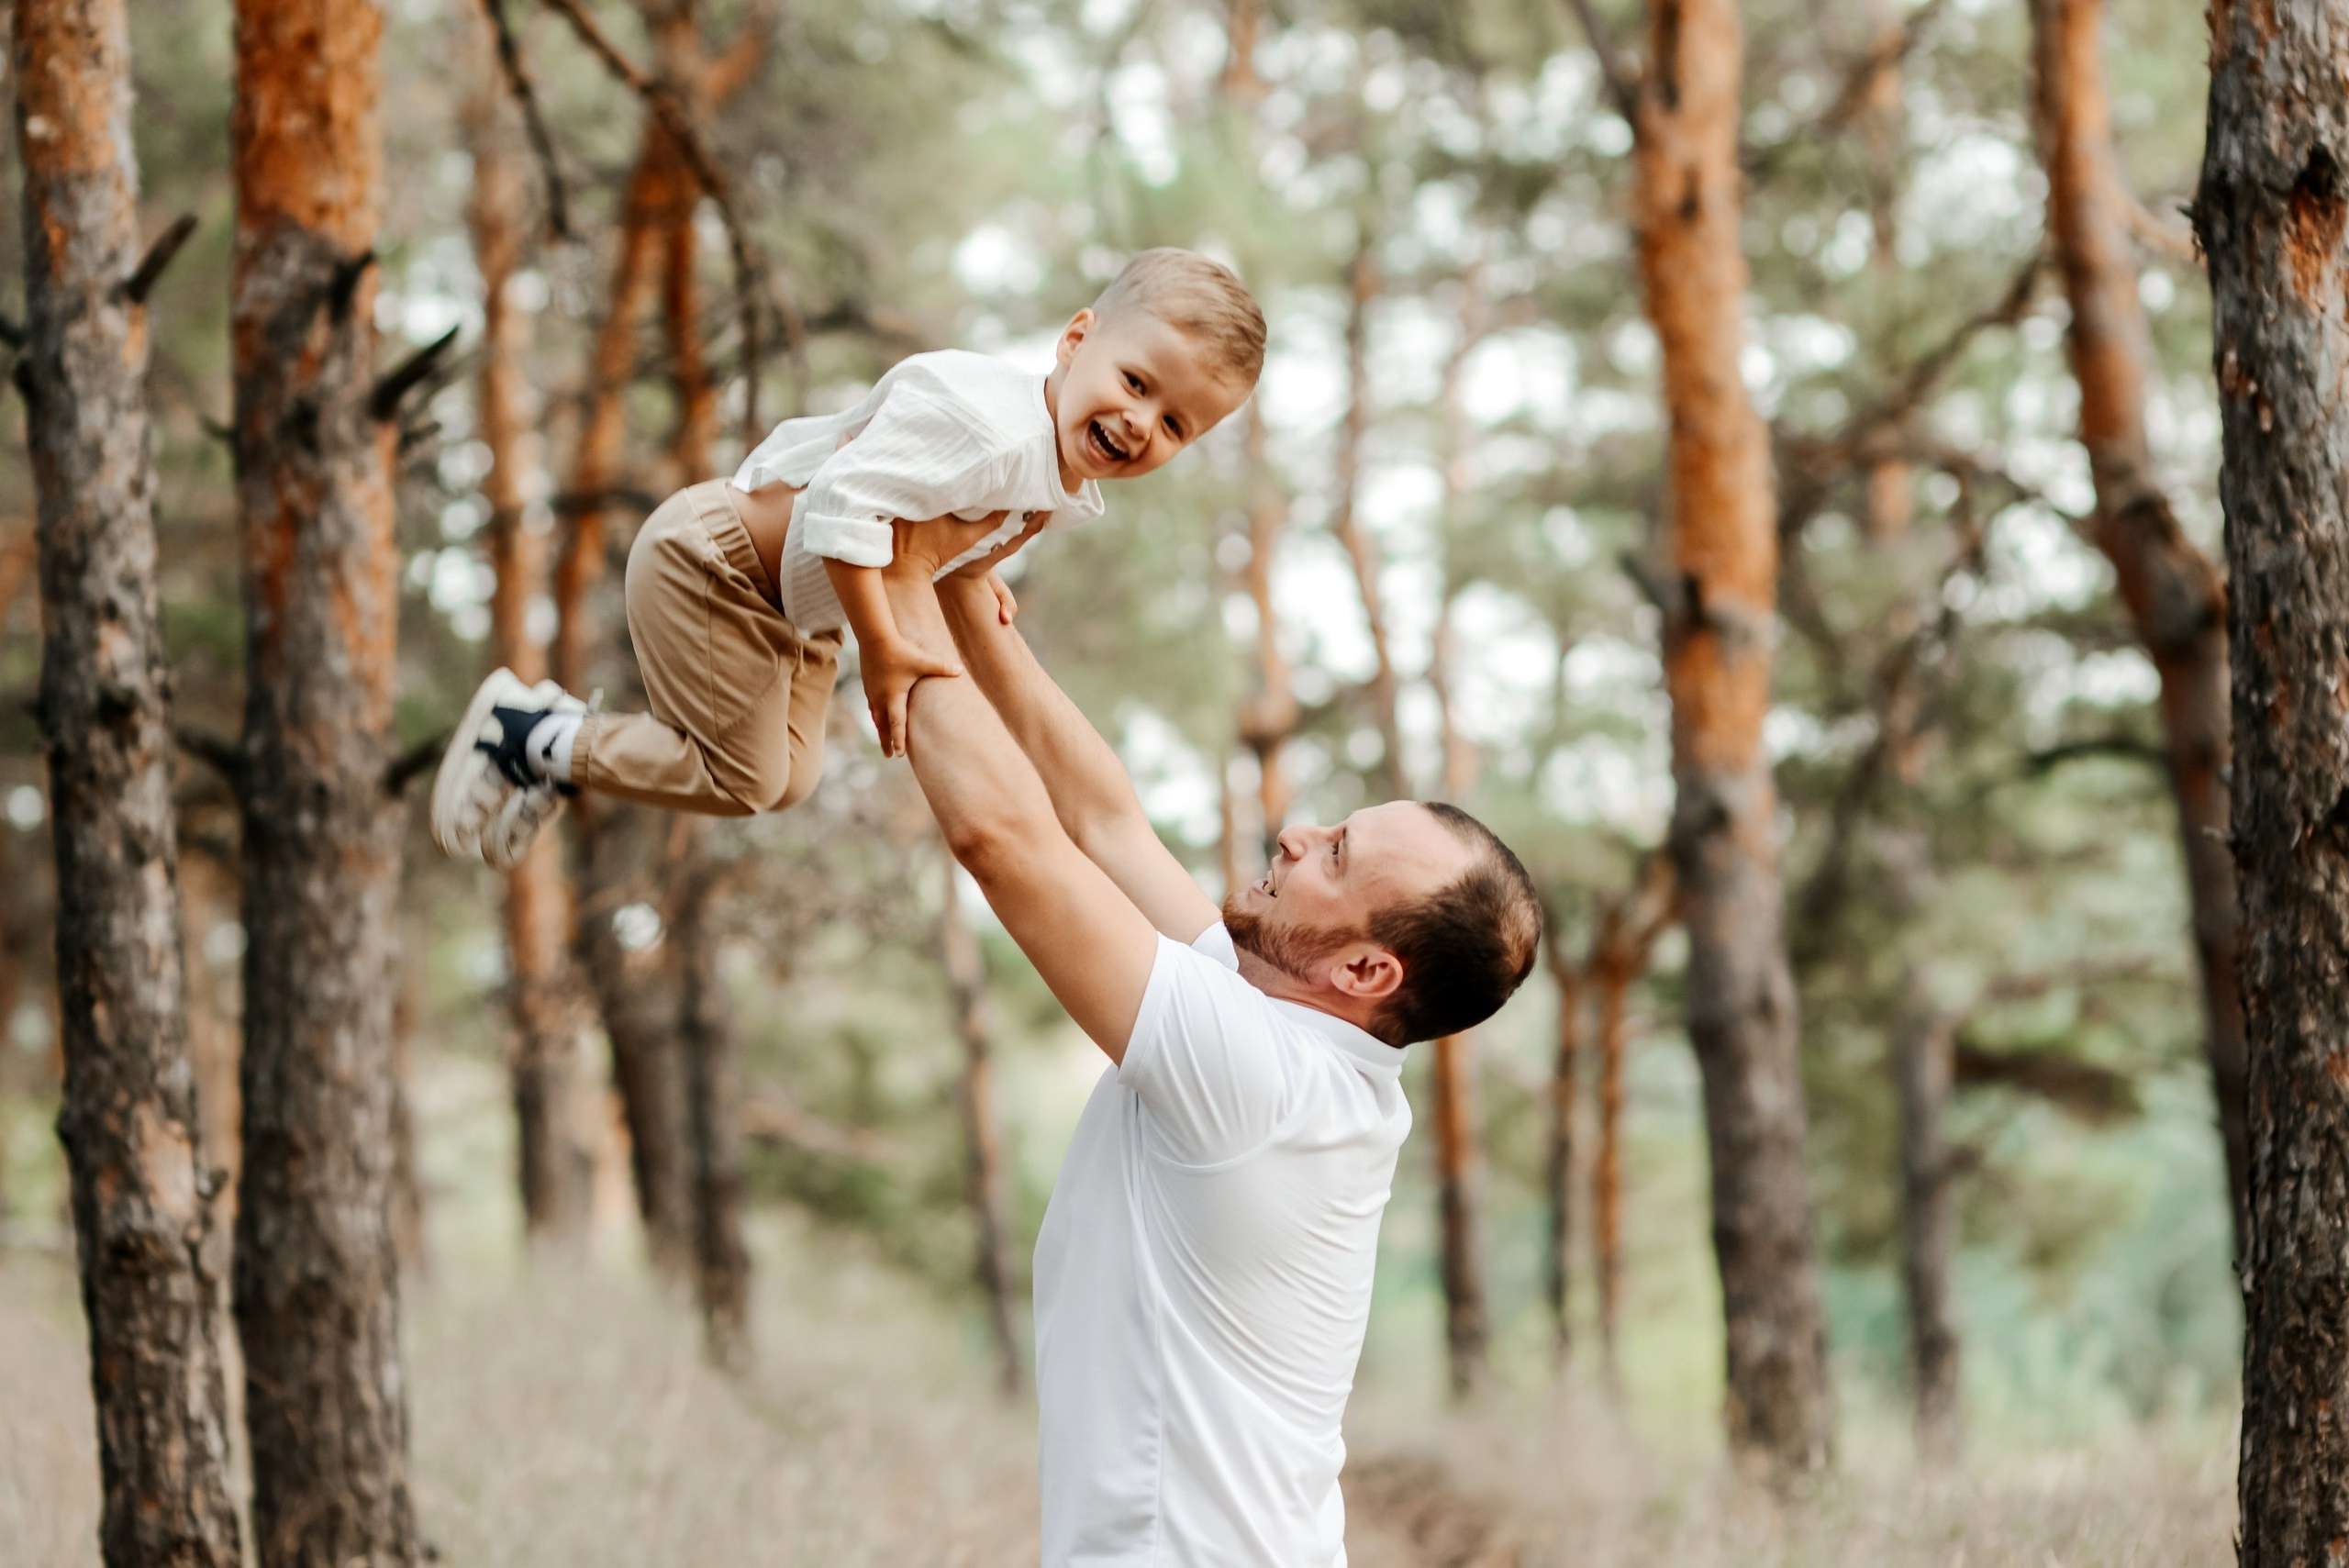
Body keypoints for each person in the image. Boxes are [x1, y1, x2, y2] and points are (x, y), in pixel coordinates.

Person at [874, 509, 1543, 1566]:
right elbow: (1104, 822)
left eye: (1334, 855)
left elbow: (1006, 844)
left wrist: (887, 587)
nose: (1295, 831)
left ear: (1364, 972)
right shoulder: (1288, 1026)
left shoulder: (1259, 1079)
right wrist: (961, 595)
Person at [429, 247, 1264, 868]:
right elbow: (840, 499)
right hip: (714, 567)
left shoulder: (1054, 474)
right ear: (1075, 339)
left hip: (796, 606)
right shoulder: (989, 426)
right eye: (1137, 382)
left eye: (1176, 425)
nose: (1140, 423)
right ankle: (531, 735)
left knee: (787, 781)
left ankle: (548, 738)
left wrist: (976, 569)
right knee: (746, 778)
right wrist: (884, 647)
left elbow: (937, 526)